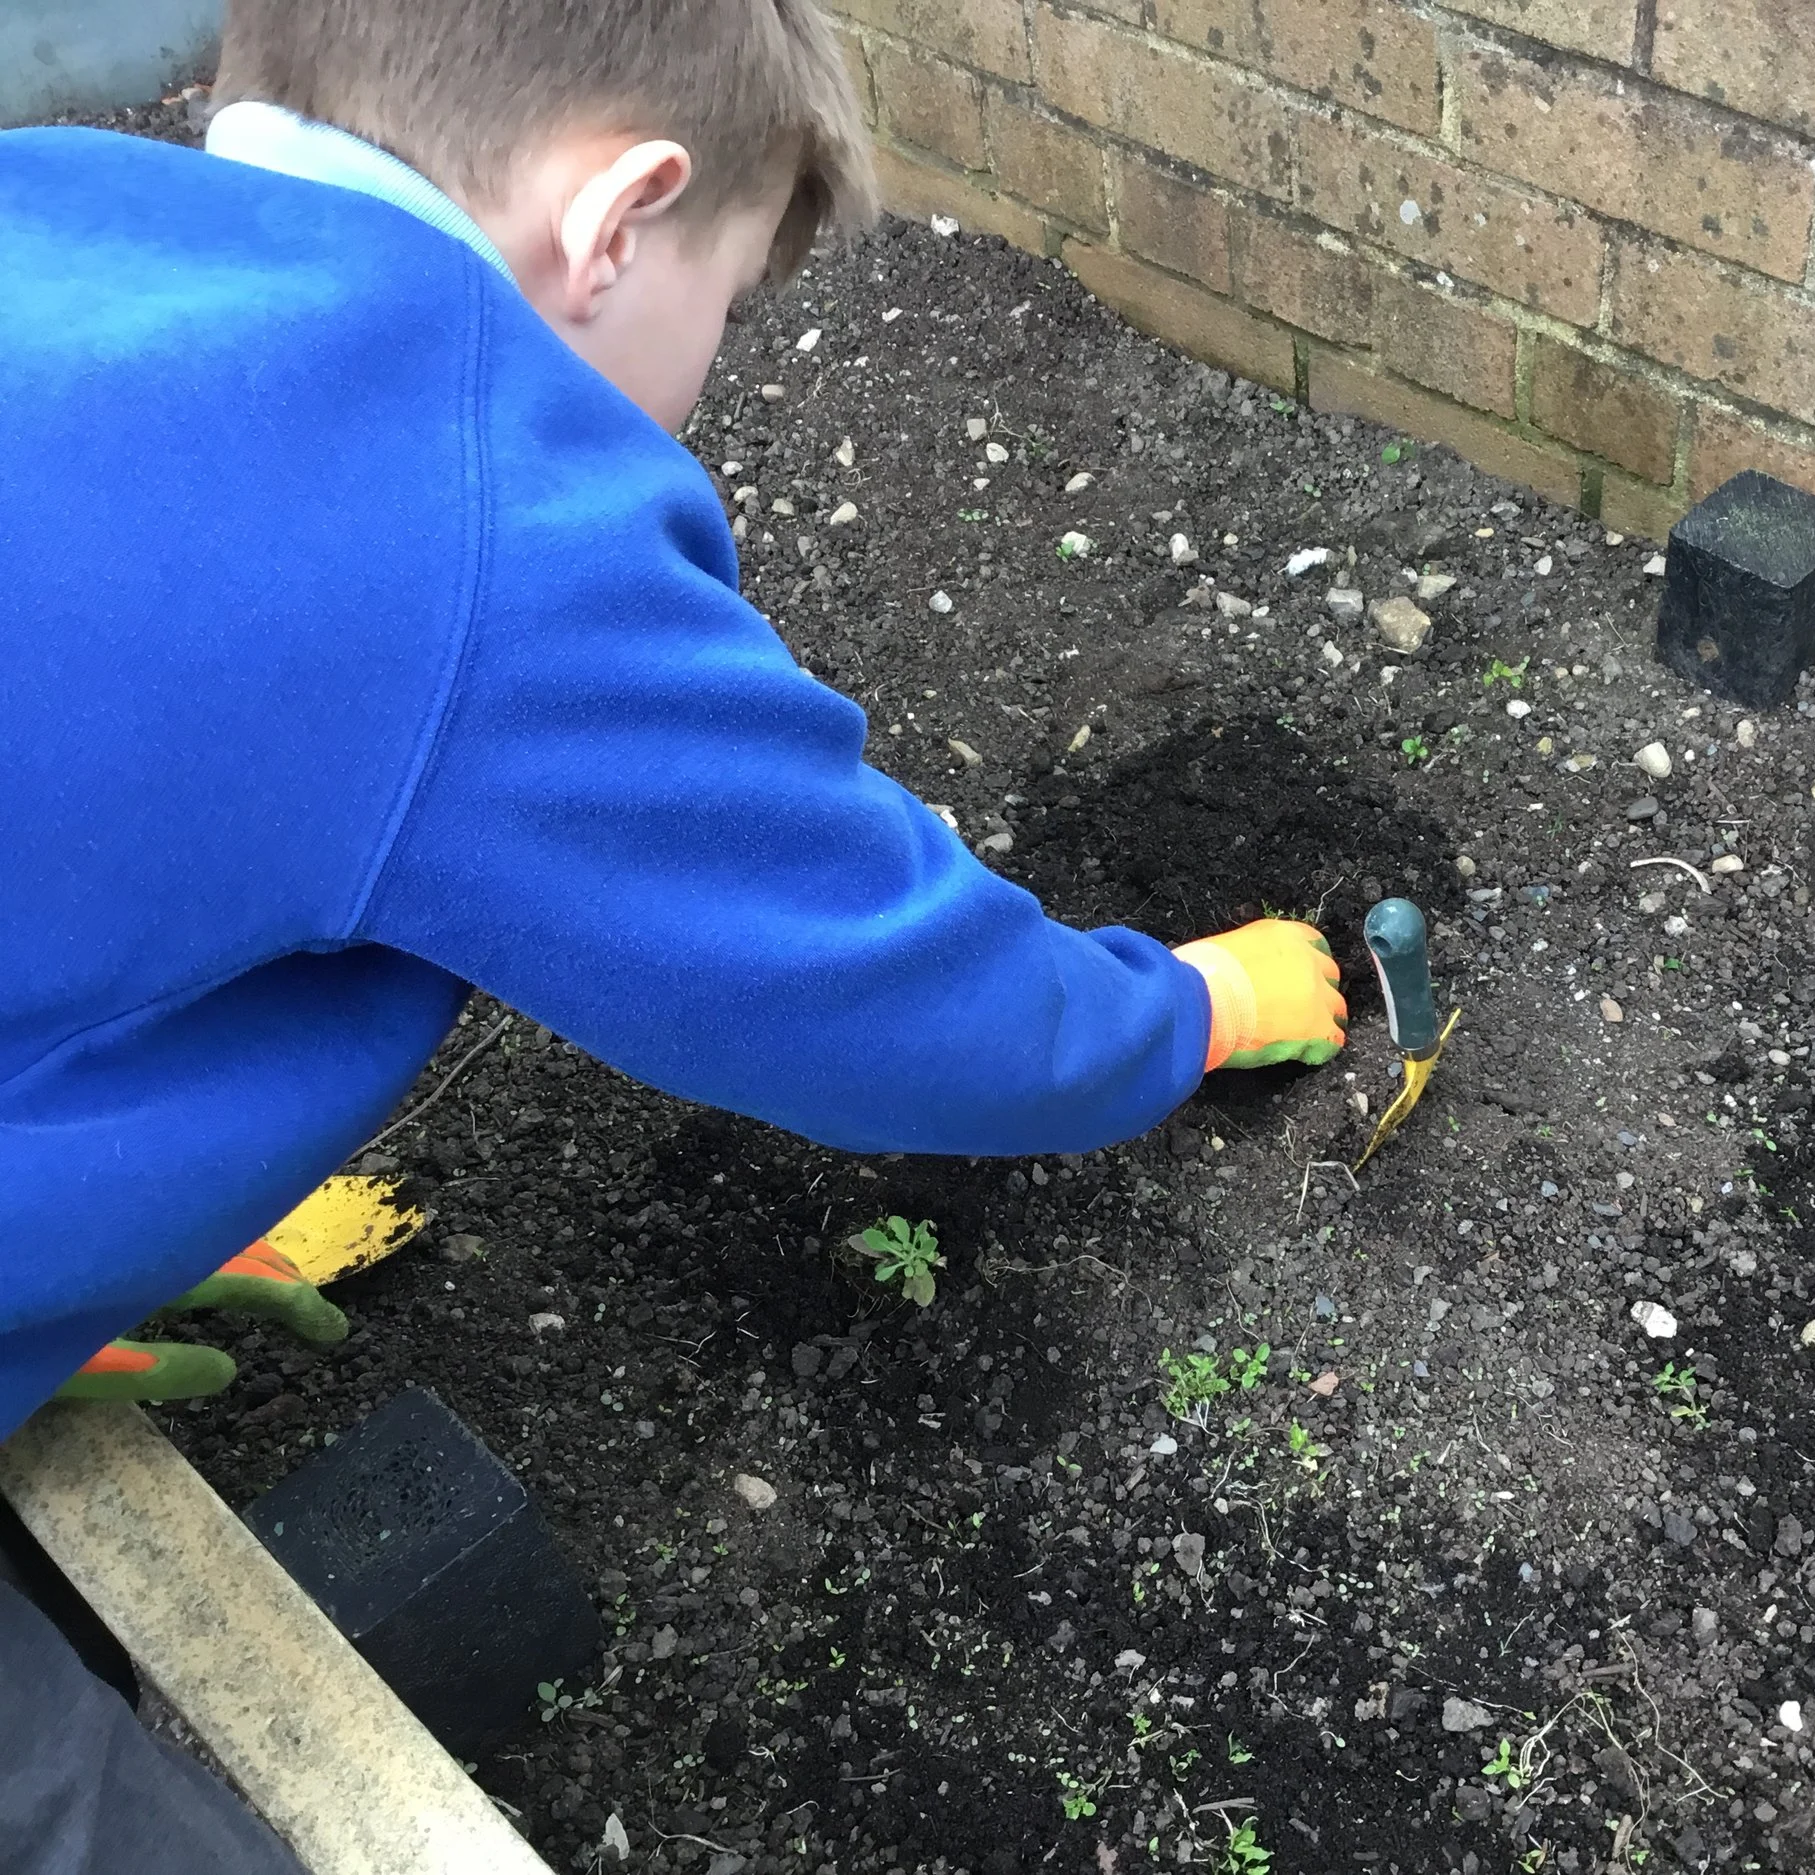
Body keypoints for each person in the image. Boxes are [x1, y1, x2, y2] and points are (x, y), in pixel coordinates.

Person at [0, 2, 1346, 1865]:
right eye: (722, 306)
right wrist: (1178, 1013)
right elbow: (881, 988)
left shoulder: (54, 209)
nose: (709, 372)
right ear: (619, 217)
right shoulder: (463, 511)